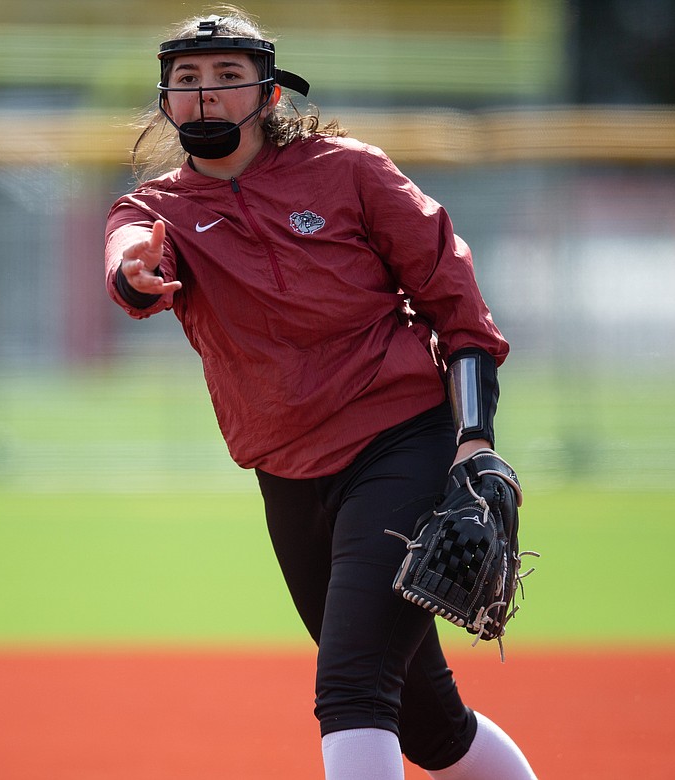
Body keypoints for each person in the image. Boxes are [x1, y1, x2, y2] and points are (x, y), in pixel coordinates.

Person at [103, 8, 536, 779]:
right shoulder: (154, 212)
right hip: (290, 477)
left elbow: (457, 304)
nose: (205, 95)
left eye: (228, 78)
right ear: (165, 100)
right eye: (188, 80)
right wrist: (133, 271)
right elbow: (129, 256)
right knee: (428, 726)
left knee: (351, 687)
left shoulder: (350, 171)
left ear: (269, 94)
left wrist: (474, 442)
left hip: (401, 442)